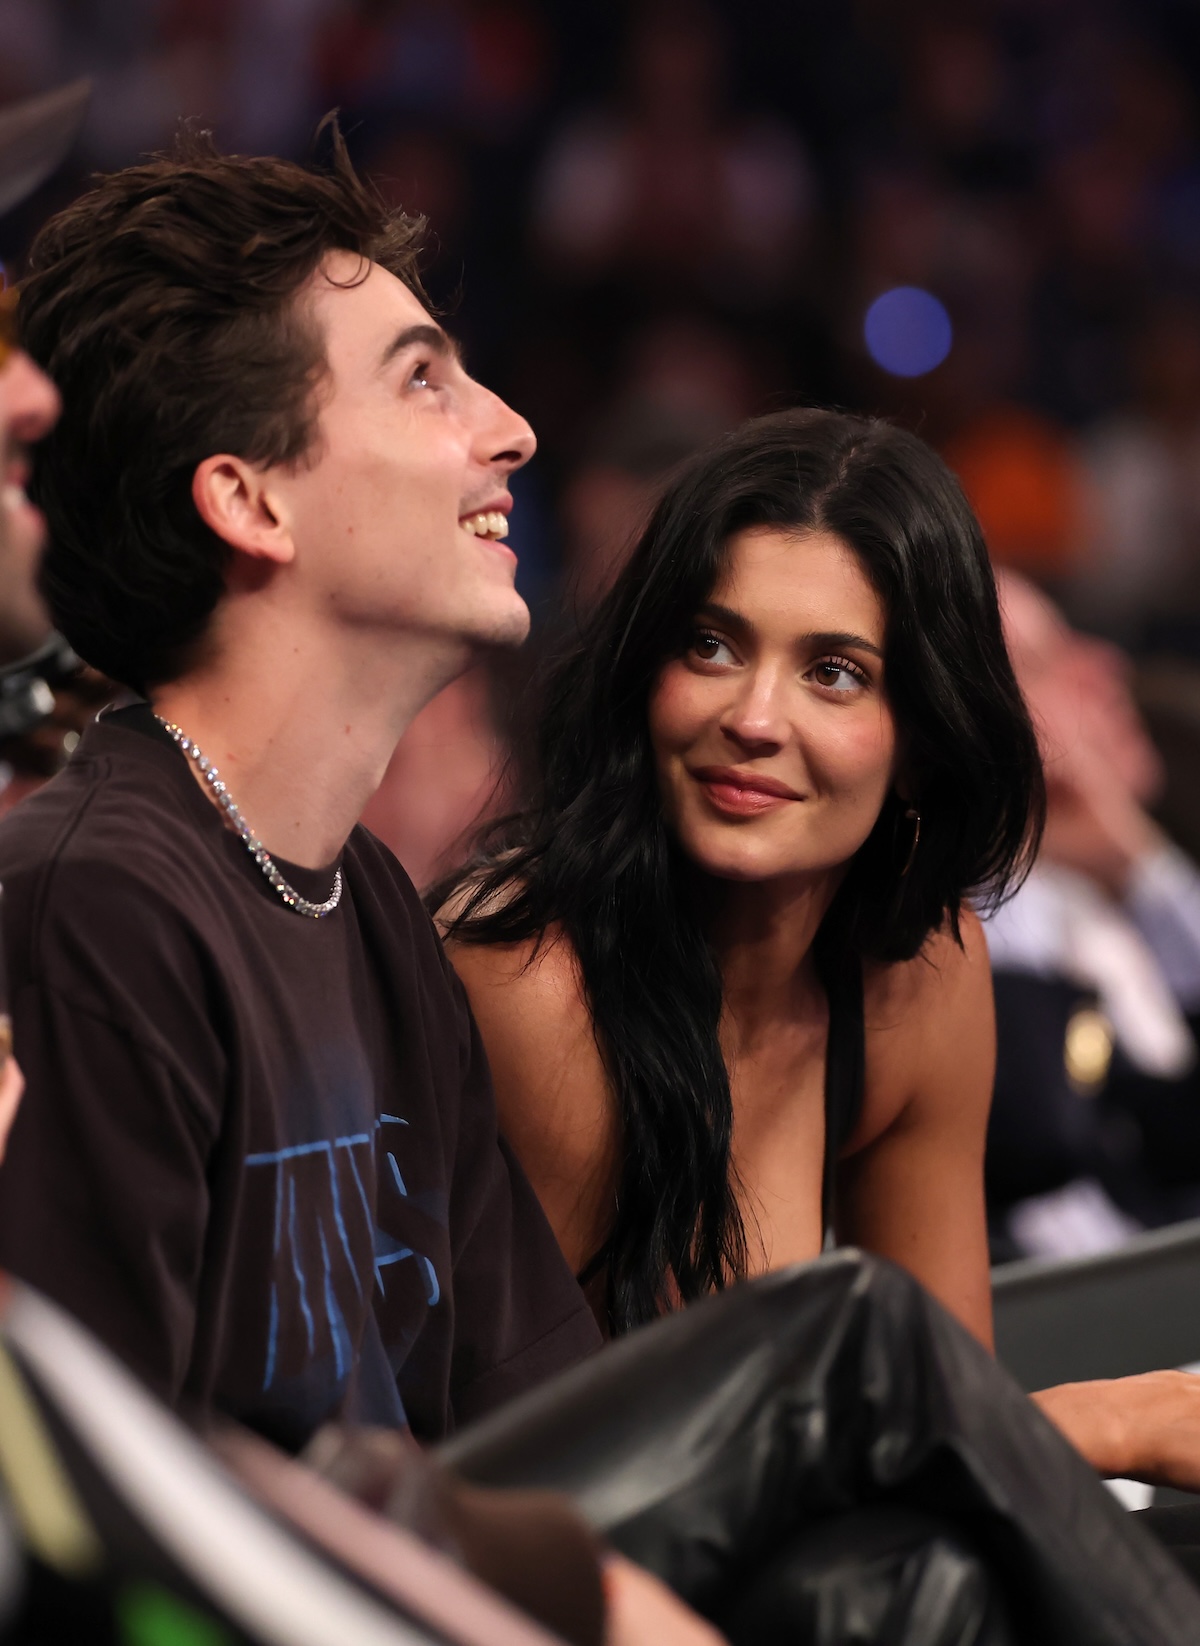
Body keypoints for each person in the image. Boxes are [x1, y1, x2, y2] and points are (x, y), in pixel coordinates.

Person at [438, 406, 1200, 1490]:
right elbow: (599, 1492)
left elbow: (945, 1419)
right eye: (710, 644)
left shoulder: (923, 971)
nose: (754, 715)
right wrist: (1110, 1420)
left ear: (924, 739)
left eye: (833, 672)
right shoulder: (531, 977)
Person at [986, 570, 1200, 1258]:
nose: (1105, 666)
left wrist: (1141, 870)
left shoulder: (1094, 897)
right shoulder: (986, 937)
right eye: (1044, 661)